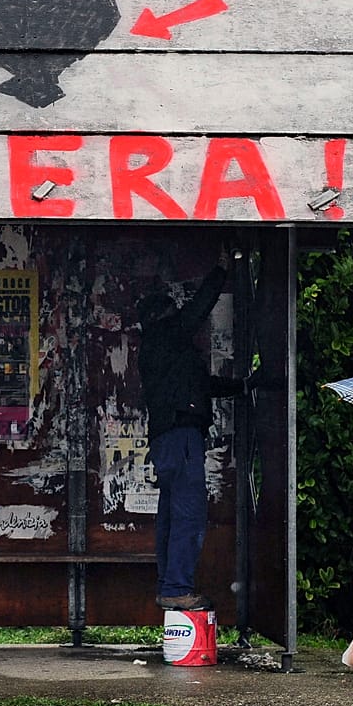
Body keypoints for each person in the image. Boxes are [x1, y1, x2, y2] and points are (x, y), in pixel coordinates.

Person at [135, 252, 245, 612]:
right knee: (189, 514)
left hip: (167, 439)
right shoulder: (168, 335)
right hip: (182, 436)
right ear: (163, 317)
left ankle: (169, 585)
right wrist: (221, 268)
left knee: (170, 515)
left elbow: (199, 384)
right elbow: (199, 308)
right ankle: (177, 587)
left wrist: (242, 386)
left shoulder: (160, 350)